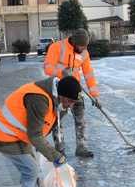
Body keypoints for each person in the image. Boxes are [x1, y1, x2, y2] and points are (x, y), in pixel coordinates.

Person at [0, 76, 82, 187]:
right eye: (69, 102)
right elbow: (35, 135)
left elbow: (44, 130)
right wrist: (55, 157)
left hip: (18, 135)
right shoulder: (39, 99)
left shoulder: (56, 97)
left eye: (73, 103)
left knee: (35, 166)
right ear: (61, 95)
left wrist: (60, 163)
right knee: (30, 170)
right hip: (3, 134)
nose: (70, 106)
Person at [43, 28, 100, 158]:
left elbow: (89, 74)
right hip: (59, 89)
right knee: (56, 120)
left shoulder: (84, 52)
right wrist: (62, 72)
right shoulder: (56, 47)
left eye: (85, 46)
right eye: (81, 46)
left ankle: (81, 147)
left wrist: (94, 95)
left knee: (81, 119)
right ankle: (60, 150)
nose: (83, 48)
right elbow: (47, 68)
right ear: (74, 42)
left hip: (75, 88)